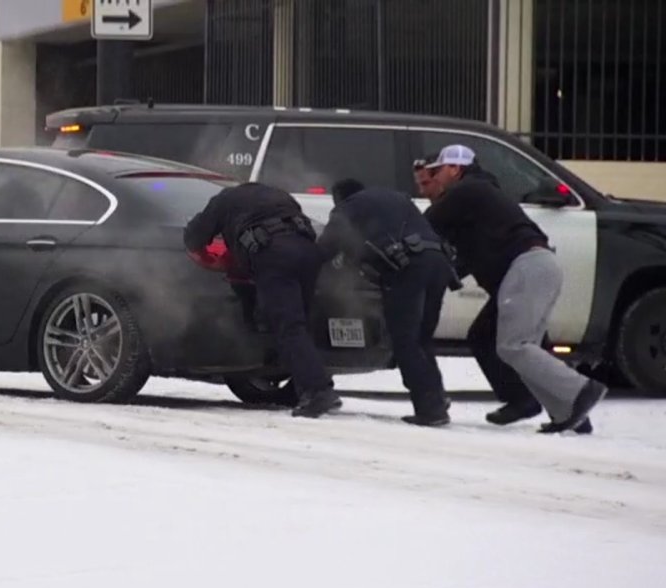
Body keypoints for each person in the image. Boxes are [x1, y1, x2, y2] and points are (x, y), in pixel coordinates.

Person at [421, 144, 606, 433]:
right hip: (536, 266)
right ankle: (568, 411)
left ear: (455, 169)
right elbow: (471, 253)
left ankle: (581, 390)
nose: (434, 178)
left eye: (438, 171)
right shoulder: (482, 198)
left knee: (513, 345)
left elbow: (425, 225)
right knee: (506, 340)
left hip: (526, 267)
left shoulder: (467, 191)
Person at [183, 182, 341, 418]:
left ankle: (318, 391)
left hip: (274, 255)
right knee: (300, 325)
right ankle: (307, 387)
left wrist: (206, 256)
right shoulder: (280, 194)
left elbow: (195, 236)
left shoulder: (225, 199)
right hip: (308, 252)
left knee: (289, 326)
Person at [317, 178, 459, 426]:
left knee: (404, 339)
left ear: (340, 197)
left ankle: (430, 409)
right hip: (439, 262)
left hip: (408, 269)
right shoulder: (394, 197)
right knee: (422, 337)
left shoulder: (347, 208)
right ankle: (435, 396)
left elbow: (326, 248)